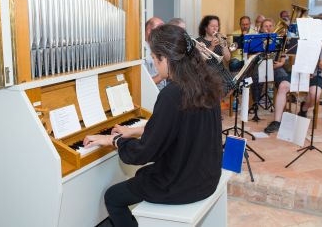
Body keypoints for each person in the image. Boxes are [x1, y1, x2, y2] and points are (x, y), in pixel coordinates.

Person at [83, 24, 223, 227]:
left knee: (113, 196)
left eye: (154, 59)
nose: (154, 64)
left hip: (182, 184)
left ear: (164, 58)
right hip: (206, 177)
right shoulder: (204, 83)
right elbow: (179, 126)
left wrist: (113, 140)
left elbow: (143, 153)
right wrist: (134, 130)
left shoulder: (172, 94)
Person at [262, 18, 292, 133]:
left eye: (270, 25)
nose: (268, 28)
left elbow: (283, 59)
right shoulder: (257, 40)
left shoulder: (279, 40)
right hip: (261, 66)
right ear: (261, 28)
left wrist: (280, 63)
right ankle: (254, 103)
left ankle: (277, 121)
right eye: (265, 26)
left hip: (276, 67)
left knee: (284, 83)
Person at [197, 15, 236, 95]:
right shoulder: (199, 41)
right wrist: (212, 46)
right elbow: (200, 60)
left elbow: (228, 58)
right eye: (212, 26)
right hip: (207, 71)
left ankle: (220, 103)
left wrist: (224, 45)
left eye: (217, 26)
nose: (215, 29)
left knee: (234, 83)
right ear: (205, 27)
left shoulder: (220, 40)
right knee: (218, 86)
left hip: (221, 70)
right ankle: (216, 103)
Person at [298, 42, 322, 118]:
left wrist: (315, 56)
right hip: (297, 73)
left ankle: (304, 108)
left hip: (315, 74)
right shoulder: (302, 41)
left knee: (315, 94)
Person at [144, 17, 165, 90]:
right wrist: (163, 75)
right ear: (149, 30)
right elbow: (143, 85)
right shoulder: (141, 52)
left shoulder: (158, 47)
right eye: (160, 27)